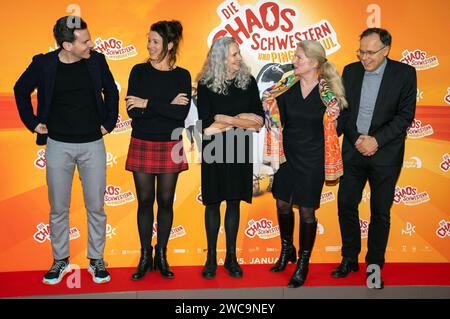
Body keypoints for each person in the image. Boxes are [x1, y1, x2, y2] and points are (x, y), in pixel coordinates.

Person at [14, 16, 119, 284]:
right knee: (58, 208)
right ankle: (60, 260)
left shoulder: (96, 61)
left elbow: (112, 92)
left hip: (93, 145)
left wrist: (108, 124)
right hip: (58, 145)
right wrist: (33, 123)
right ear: (67, 45)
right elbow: (20, 89)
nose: (91, 44)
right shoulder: (44, 64)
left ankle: (97, 259)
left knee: (96, 207)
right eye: (84, 41)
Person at [332, 28, 416, 289]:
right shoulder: (350, 71)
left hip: (386, 155)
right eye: (361, 52)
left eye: (370, 53)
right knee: (346, 204)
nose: (364, 58)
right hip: (353, 151)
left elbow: (404, 116)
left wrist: (376, 141)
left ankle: (374, 266)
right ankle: (349, 258)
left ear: (386, 50)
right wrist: (358, 138)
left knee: (380, 212)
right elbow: (343, 113)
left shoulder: (404, 74)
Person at [264, 40, 346, 288]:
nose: (294, 61)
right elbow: (278, 119)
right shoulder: (286, 88)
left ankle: (303, 261)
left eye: (299, 57)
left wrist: (334, 121)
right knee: (282, 203)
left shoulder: (329, 95)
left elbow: (340, 126)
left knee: (307, 211)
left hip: (313, 159)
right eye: (295, 57)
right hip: (288, 156)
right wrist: (269, 108)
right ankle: (287, 249)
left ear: (313, 62)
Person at [125, 20, 191, 280]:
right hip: (142, 140)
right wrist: (165, 106)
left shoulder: (182, 76)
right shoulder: (138, 71)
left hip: (170, 143)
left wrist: (148, 103)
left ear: (170, 45)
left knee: (165, 201)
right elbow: (133, 112)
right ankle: (144, 256)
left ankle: (161, 255)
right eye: (149, 41)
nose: (149, 46)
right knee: (144, 202)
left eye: (155, 42)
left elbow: (181, 114)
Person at [196, 36, 264, 279]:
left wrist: (228, 119)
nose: (239, 58)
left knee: (234, 202)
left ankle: (231, 258)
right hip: (213, 150)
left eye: (238, 53)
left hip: (240, 149)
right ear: (220, 58)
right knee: (213, 203)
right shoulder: (205, 84)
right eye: (233, 54)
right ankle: (211, 257)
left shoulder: (249, 82)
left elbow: (258, 122)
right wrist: (241, 119)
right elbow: (206, 128)